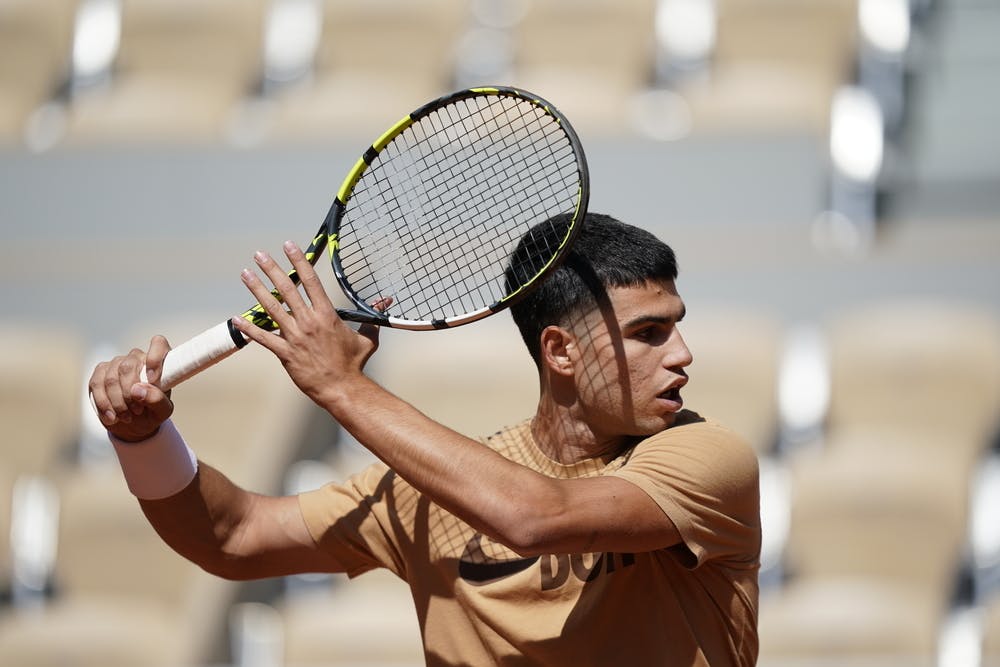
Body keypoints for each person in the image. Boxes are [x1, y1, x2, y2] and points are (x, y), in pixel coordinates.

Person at [90, 212, 761, 666]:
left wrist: (340, 384)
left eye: (676, 325)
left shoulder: (708, 461)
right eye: (650, 333)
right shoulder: (431, 489)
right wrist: (144, 436)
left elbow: (535, 517)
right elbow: (232, 536)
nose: (685, 355)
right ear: (559, 351)